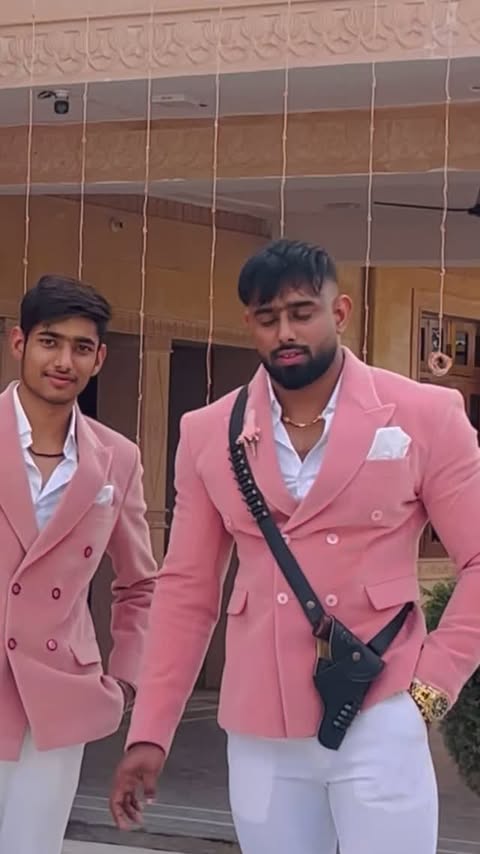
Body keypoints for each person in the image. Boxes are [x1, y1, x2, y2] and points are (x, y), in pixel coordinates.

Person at [110, 239, 480, 854]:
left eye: (302, 312)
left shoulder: (426, 414)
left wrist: (432, 684)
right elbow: (187, 592)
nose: (285, 331)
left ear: (340, 312)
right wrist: (150, 730)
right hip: (261, 722)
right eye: (267, 317)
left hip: (381, 705)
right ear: (249, 324)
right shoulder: (208, 432)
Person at [0, 275, 157, 854]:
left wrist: (127, 680)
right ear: (19, 343)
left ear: (100, 359)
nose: (64, 361)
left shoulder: (117, 457)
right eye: (50, 341)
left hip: (57, 694)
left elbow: (140, 583)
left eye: (81, 347)